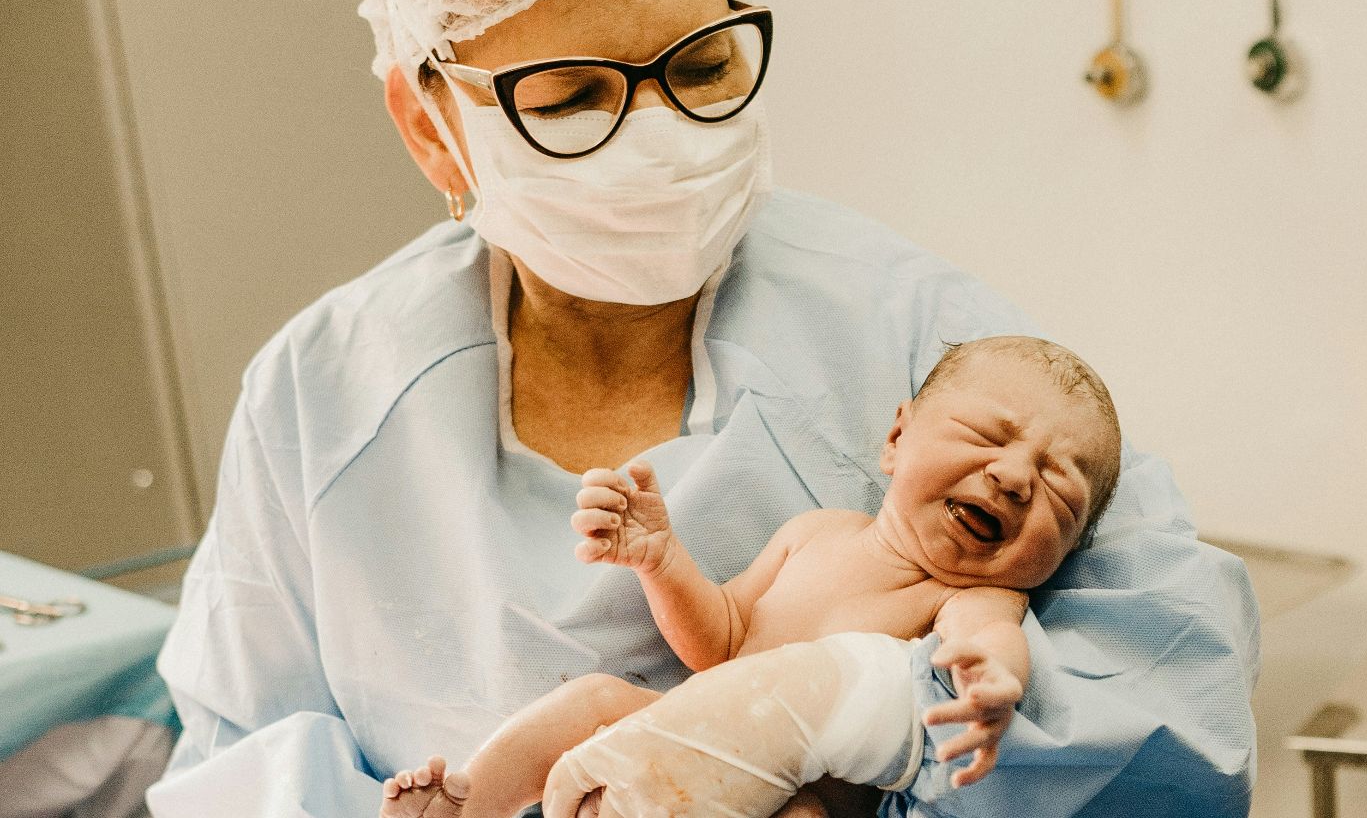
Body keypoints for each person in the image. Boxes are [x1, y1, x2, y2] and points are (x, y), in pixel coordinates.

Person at [146, 0, 1259, 818]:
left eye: (702, 68)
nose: (658, 137)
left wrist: (859, 709)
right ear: (430, 127)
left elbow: (1180, 724)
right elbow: (234, 768)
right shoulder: (321, 397)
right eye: (573, 95)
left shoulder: (931, 346)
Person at [381, 336, 1126, 818]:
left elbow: (988, 638)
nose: (1015, 476)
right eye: (988, 435)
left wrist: (993, 682)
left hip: (791, 800)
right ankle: (467, 803)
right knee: (597, 698)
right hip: (663, 748)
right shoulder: (817, 533)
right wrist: (663, 562)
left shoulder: (970, 595)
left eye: (1061, 486)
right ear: (897, 438)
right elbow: (721, 643)